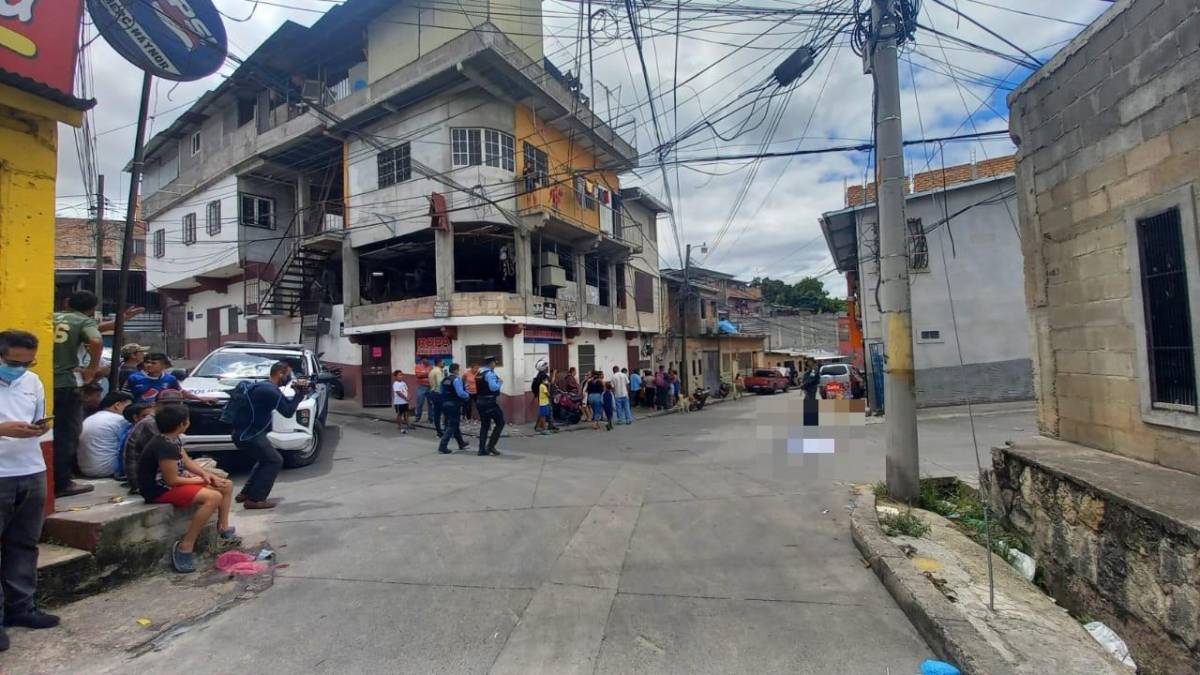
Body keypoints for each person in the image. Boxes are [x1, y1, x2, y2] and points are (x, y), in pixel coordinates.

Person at [0, 330, 60, 651]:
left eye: (28, 361)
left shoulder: (32, 382)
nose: (20, 367)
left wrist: (41, 427)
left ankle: (21, 609)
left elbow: (40, 417)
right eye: (13, 362)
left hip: (31, 469)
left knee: (24, 544)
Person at [138, 404, 236, 573]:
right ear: (182, 424)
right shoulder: (164, 445)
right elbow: (173, 480)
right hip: (159, 490)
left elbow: (188, 462)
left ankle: (223, 527)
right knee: (214, 497)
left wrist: (206, 475)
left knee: (226, 485)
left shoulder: (173, 439)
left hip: (171, 483)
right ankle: (186, 546)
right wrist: (199, 480)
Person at [230, 361, 307, 509]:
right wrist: (300, 394)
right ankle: (255, 499)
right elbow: (288, 411)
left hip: (243, 433)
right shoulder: (270, 391)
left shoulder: (264, 386)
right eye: (288, 374)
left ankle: (247, 493)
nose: (289, 378)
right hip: (249, 435)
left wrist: (297, 392)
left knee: (265, 459)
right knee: (275, 460)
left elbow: (284, 403)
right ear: (280, 374)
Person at [52, 291, 103, 498]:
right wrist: (92, 368)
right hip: (66, 383)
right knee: (67, 434)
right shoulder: (84, 321)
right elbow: (96, 340)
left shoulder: (53, 316)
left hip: (43, 381)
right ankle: (62, 483)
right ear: (91, 309)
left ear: (67, 302)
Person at [78, 391, 133, 478]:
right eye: (128, 406)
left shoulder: (91, 418)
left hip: (84, 469)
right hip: (107, 469)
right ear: (117, 405)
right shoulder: (120, 420)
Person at [125, 353, 207, 404]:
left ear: (164, 366)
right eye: (147, 362)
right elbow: (124, 398)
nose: (149, 365)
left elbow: (181, 392)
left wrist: (200, 399)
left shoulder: (170, 379)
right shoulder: (134, 378)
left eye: (153, 363)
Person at [114, 402, 154, 481]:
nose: (150, 419)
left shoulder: (128, 428)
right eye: (145, 416)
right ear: (135, 417)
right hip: (129, 474)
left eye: (151, 416)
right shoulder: (137, 433)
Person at [437, 363, 470, 454]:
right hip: (454, 404)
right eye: (458, 369)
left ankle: (461, 443)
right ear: (455, 370)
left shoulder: (445, 379)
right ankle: (443, 446)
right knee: (452, 425)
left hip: (445, 404)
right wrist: (467, 395)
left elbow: (440, 391)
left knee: (454, 424)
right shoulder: (456, 379)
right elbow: (460, 393)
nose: (459, 371)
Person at [475, 356, 504, 456]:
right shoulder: (490, 374)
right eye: (495, 363)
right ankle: (491, 446)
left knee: (485, 425)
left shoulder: (479, 373)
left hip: (479, 402)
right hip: (489, 402)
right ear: (491, 363)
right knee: (500, 423)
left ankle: (481, 449)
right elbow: (493, 388)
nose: (495, 365)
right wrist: (499, 383)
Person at [427, 359, 445, 437]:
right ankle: (443, 431)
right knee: (445, 412)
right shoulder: (438, 371)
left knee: (437, 413)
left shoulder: (432, 370)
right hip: (439, 394)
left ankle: (439, 431)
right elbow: (440, 384)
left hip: (433, 392)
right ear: (439, 363)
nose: (444, 363)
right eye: (442, 362)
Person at [392, 370, 410, 434]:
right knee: (400, 414)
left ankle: (408, 424)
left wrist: (409, 396)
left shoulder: (403, 383)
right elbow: (398, 393)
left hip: (405, 402)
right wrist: (405, 398)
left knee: (406, 413)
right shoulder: (395, 384)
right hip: (399, 402)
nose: (401, 376)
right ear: (395, 376)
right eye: (399, 375)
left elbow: (406, 390)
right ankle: (400, 426)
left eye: (402, 375)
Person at [413, 358, 431, 424]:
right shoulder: (418, 366)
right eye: (426, 359)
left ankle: (431, 418)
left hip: (430, 387)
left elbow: (431, 375)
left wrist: (423, 374)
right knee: (420, 403)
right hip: (421, 387)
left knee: (431, 403)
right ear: (423, 360)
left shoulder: (430, 366)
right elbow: (418, 375)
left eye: (428, 359)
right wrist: (427, 373)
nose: (427, 361)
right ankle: (417, 418)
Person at [534, 370, 551, 435]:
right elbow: (548, 394)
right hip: (544, 403)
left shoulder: (541, 386)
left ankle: (538, 427)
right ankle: (544, 429)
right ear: (543, 380)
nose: (547, 380)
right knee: (543, 417)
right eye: (546, 379)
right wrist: (549, 386)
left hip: (543, 403)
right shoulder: (543, 387)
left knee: (542, 416)